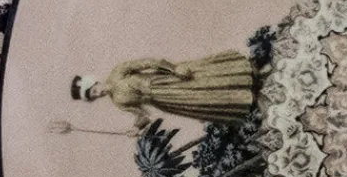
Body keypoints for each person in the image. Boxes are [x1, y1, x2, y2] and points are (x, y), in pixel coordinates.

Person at [71, 51, 255, 129]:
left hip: (164, 80)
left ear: (94, 83)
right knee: (201, 100)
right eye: (94, 97)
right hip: (166, 101)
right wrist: (136, 127)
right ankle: (244, 102)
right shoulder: (118, 102)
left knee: (202, 80)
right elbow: (143, 115)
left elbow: (149, 63)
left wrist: (173, 69)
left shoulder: (118, 72)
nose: (99, 94)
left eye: (94, 91)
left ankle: (243, 77)